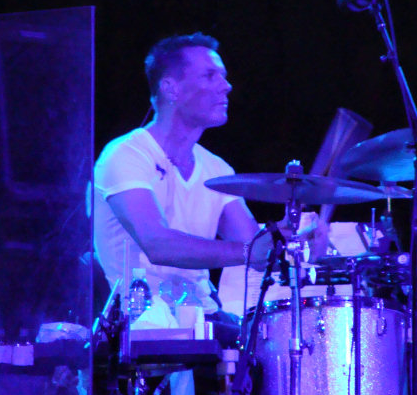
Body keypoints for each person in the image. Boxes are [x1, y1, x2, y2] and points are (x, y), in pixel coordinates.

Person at [93, 32, 325, 348]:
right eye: (210, 75)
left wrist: (289, 237)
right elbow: (157, 244)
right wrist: (249, 251)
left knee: (282, 346)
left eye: (224, 77)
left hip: (202, 318)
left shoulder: (216, 169)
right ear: (170, 87)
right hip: (137, 321)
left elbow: (255, 251)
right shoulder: (125, 155)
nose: (226, 86)